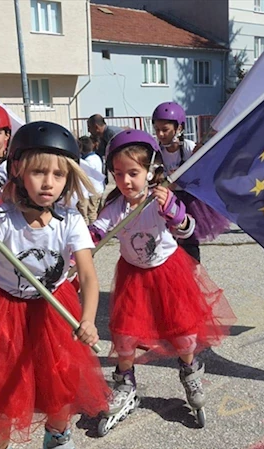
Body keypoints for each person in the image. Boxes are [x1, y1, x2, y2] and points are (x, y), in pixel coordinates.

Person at [0, 121, 109, 449]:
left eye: (58, 175)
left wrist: (89, 319)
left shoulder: (71, 221)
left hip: (54, 307)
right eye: (38, 172)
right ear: (18, 170)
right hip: (4, 308)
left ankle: (58, 436)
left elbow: (89, 276)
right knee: (2, 390)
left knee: (60, 382)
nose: (48, 183)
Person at [89, 129, 236, 430]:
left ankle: (189, 369)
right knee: (124, 335)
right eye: (118, 174)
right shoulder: (117, 207)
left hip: (168, 273)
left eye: (133, 173)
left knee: (182, 334)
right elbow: (97, 232)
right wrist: (84, 247)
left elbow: (186, 229)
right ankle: (125, 383)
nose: (126, 181)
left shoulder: (160, 200)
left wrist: (173, 212)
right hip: (134, 276)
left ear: (150, 171)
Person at [151, 102, 231, 262]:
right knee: (167, 241)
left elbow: (204, 176)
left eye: (165, 130)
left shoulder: (189, 148)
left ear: (179, 129)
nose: (160, 134)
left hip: (189, 201)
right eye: (157, 129)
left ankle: (193, 272)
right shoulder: (156, 151)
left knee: (189, 241)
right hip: (167, 200)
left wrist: (200, 160)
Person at [75, 136, 104, 224]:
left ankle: (93, 233)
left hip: (91, 192)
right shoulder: (96, 157)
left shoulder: (86, 162)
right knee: (94, 212)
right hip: (99, 189)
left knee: (90, 214)